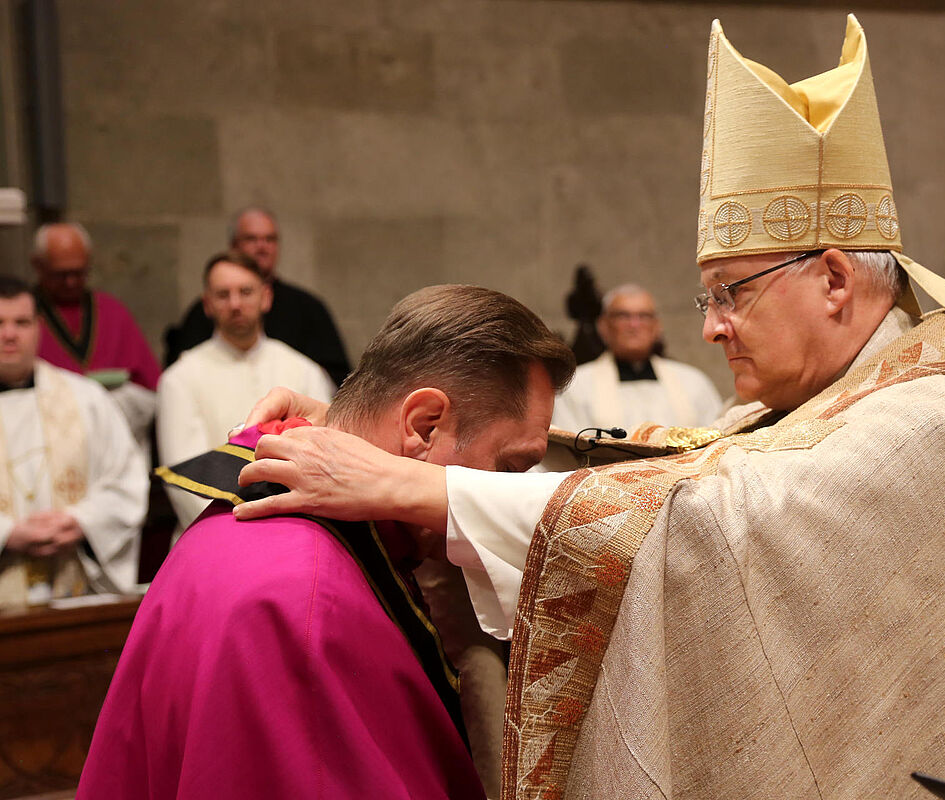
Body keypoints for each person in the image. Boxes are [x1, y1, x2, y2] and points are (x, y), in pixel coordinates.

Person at [235, 16, 945, 799]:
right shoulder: (833, 393)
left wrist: (408, 485)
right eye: (710, 298)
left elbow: (718, 516)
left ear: (837, 279)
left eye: (733, 291)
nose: (716, 327)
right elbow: (670, 462)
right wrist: (375, 428)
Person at [78, 285, 576, 800]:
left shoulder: (261, 509)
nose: (502, 495)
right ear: (423, 425)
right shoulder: (308, 598)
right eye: (510, 467)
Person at [157, 250, 335, 528]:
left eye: (246, 291)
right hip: (212, 535)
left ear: (266, 297)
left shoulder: (305, 370)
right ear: (207, 304)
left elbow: (325, 456)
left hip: (295, 528)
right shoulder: (179, 378)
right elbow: (186, 481)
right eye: (223, 294)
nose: (235, 304)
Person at [0, 276, 146, 608]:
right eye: (0, 323)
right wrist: (7, 534)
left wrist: (82, 521)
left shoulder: (86, 399)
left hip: (76, 597)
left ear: (37, 328)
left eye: (21, 322)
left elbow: (127, 480)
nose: (9, 334)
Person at [163, 207, 351, 385]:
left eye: (270, 239)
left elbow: (336, 380)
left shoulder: (309, 308)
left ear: (266, 298)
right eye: (251, 239)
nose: (235, 305)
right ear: (233, 245)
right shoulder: (201, 315)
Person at [31, 222, 161, 448]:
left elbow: (151, 390)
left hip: (113, 440)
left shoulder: (113, 311)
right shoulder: (23, 317)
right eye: (61, 274)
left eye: (79, 272)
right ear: (38, 266)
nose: (71, 282)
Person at [551, 283, 723, 433]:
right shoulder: (576, 385)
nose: (634, 325)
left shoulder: (693, 382)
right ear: (603, 326)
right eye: (623, 316)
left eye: (644, 316)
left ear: (657, 327)